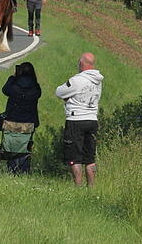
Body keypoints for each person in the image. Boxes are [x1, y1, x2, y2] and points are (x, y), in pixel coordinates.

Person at [55, 52, 103, 187]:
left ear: (81, 63)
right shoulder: (98, 81)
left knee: (74, 157)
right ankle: (91, 187)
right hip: (92, 119)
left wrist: (68, 98)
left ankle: (78, 186)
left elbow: (59, 92)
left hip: (76, 120)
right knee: (90, 158)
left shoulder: (77, 80)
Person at [1, 62, 41, 174]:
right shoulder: (35, 87)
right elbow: (38, 95)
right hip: (28, 123)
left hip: (11, 121)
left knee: (11, 146)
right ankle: (23, 171)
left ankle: (12, 170)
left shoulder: (13, 85)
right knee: (25, 147)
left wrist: (13, 77)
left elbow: (4, 90)